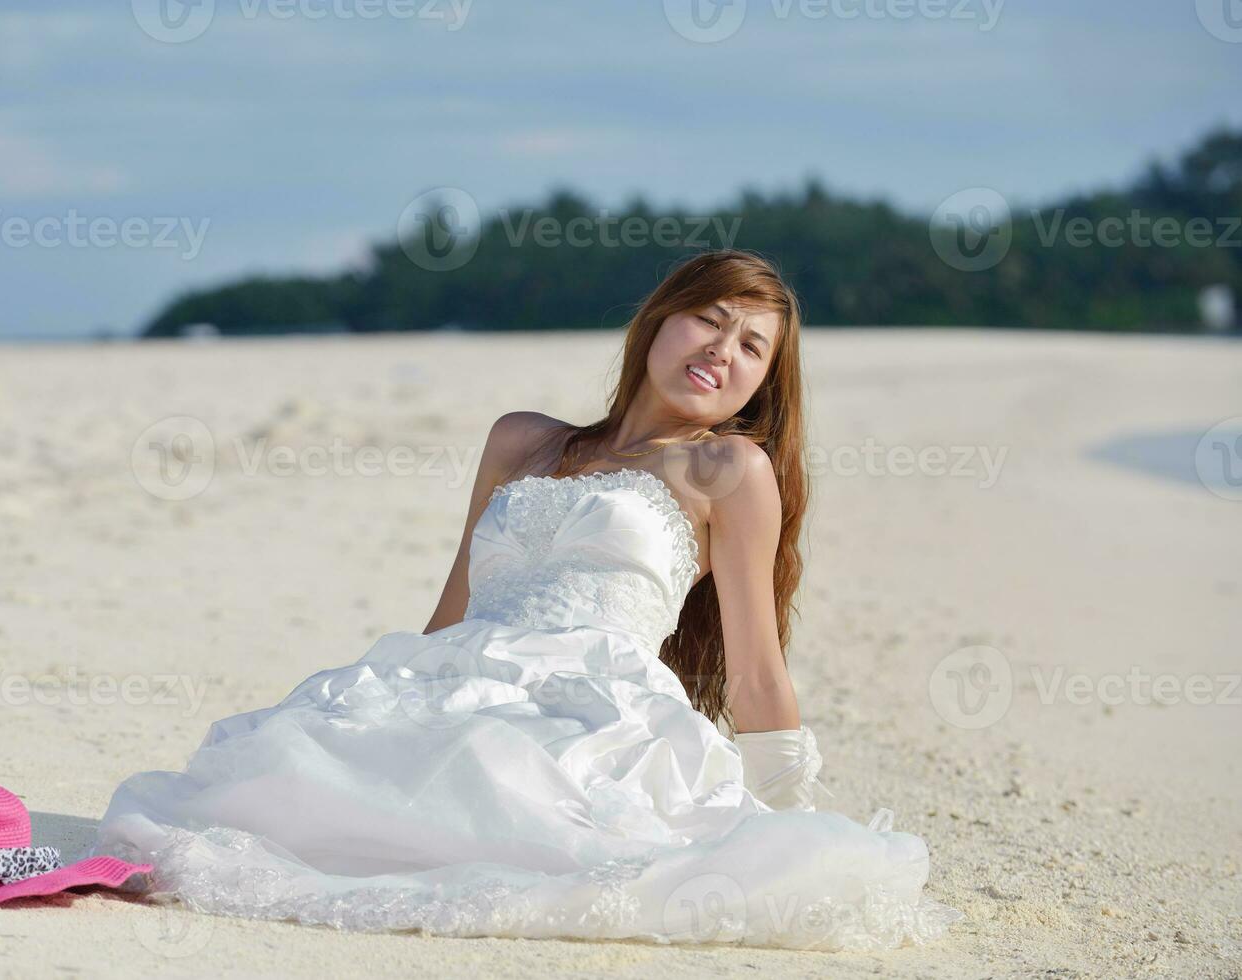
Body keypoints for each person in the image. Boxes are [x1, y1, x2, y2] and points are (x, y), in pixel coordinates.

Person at [88, 249, 961, 949]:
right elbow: (453, 610)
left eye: (750, 348)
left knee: (522, 800)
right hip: (457, 678)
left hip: (594, 713)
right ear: (659, 319)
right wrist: (374, 697)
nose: (719, 352)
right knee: (273, 789)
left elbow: (756, 665)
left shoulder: (727, 470)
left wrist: (783, 819)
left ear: (762, 383)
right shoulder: (520, 440)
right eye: (710, 320)